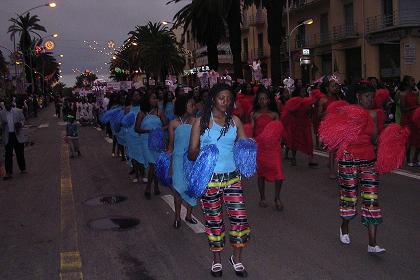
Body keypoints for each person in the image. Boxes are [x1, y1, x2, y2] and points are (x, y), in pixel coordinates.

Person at [188, 83, 250, 278]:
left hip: (232, 179)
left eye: (229, 98)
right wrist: (204, 154)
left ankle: (236, 259)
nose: (226, 102)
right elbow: (191, 154)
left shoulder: (236, 121)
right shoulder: (201, 122)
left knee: (239, 218)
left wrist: (249, 150)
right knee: (214, 221)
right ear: (213, 98)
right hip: (210, 180)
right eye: (221, 98)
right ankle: (216, 260)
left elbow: (243, 149)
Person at [250, 88, 284, 210]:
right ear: (258, 101)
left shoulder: (275, 114)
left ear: (269, 100)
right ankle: (262, 197)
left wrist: (279, 142)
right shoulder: (254, 114)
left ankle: (277, 198)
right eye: (260, 99)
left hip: (273, 147)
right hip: (260, 148)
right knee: (261, 174)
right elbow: (252, 132)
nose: (263, 101)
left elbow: (279, 130)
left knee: (279, 172)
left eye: (265, 98)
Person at [167, 94, 198, 228]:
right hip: (178, 160)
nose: (194, 107)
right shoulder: (173, 123)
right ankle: (177, 217)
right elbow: (171, 145)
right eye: (190, 104)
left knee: (192, 188)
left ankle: (189, 215)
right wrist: (169, 164)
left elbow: (200, 143)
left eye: (194, 104)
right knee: (178, 190)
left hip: (192, 160)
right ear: (183, 106)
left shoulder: (197, 122)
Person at [135, 90, 168, 199]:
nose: (155, 100)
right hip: (145, 142)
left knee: (155, 164)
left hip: (157, 141)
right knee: (153, 164)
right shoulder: (141, 113)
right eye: (153, 98)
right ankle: (150, 186)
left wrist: (158, 131)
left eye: (156, 98)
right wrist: (149, 131)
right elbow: (137, 128)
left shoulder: (159, 112)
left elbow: (166, 125)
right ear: (147, 100)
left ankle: (154, 186)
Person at [0, 99, 26, 180]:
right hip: (8, 136)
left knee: (20, 153)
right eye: (5, 104)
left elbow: (23, 120)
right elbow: (0, 125)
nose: (7, 106)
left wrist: (20, 124)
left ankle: (22, 168)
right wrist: (2, 125)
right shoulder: (1, 113)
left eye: (8, 104)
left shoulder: (18, 111)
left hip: (17, 134)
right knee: (8, 154)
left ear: (11, 104)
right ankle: (8, 172)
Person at [399, 76, 419, 166]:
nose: (414, 82)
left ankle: (415, 159)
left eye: (414, 80)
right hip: (407, 119)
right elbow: (403, 109)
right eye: (412, 80)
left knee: (417, 139)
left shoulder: (415, 93)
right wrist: (415, 107)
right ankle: (408, 159)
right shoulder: (403, 94)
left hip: (415, 118)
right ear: (407, 82)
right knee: (408, 140)